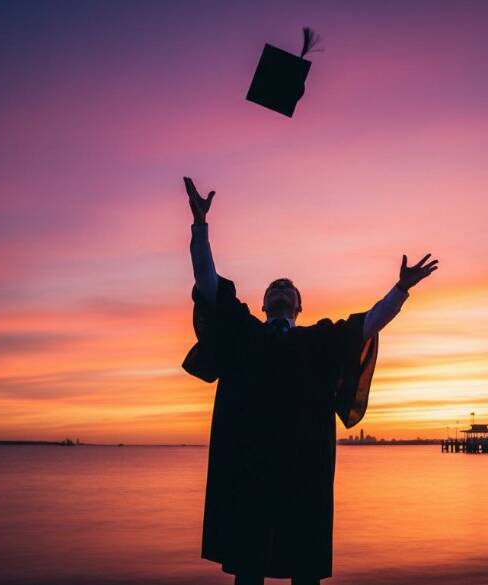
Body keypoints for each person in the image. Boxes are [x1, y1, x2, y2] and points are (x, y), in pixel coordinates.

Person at [181, 177, 437, 585]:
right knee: (249, 570)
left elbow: (367, 324)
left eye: (289, 289)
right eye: (274, 288)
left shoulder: (320, 339)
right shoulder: (244, 332)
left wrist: (401, 289)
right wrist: (199, 226)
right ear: (264, 304)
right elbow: (208, 283)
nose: (281, 290)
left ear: (299, 306)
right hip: (252, 467)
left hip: (305, 469)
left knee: (305, 566)